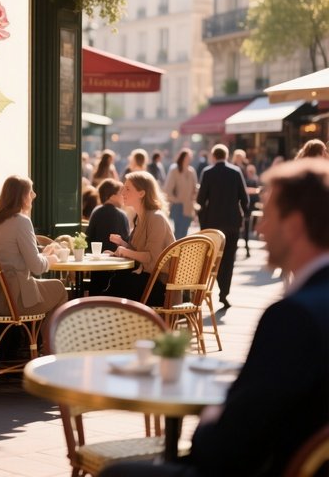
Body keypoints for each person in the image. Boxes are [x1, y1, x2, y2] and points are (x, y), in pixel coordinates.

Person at [100, 157, 329, 477]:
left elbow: (229, 439)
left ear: (293, 225)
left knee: (117, 473)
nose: (260, 228)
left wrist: (208, 418)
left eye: (268, 216)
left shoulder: (292, 318)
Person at [0, 176, 67, 318]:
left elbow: (10, 256)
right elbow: (37, 267)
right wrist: (52, 258)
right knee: (59, 288)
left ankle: (33, 337)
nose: (34, 195)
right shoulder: (21, 221)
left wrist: (42, 255)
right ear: (22, 197)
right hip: (15, 300)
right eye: (30, 191)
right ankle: (47, 339)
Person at [102, 171, 174, 306]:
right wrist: (123, 244)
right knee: (112, 279)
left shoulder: (156, 218)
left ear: (142, 193)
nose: (122, 192)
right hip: (145, 280)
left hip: (159, 286)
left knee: (117, 285)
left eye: (128, 189)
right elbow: (139, 252)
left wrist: (125, 251)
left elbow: (153, 258)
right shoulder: (140, 218)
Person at [196, 144, 248, 309]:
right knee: (229, 259)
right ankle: (224, 292)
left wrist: (203, 220)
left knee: (214, 259)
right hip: (232, 223)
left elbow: (200, 200)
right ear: (226, 156)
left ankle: (216, 288)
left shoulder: (208, 173)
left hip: (213, 225)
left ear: (213, 156)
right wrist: (244, 215)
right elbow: (244, 198)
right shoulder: (235, 172)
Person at [86, 179, 131, 294]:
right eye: (120, 193)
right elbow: (127, 241)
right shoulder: (121, 215)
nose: (123, 196)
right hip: (117, 269)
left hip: (96, 266)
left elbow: (88, 238)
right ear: (111, 196)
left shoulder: (96, 212)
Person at [164, 148, 199, 239]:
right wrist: (176, 200)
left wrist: (195, 196)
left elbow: (195, 187)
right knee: (178, 232)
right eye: (187, 157)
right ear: (182, 157)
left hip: (189, 206)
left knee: (185, 232)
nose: (189, 159)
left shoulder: (191, 171)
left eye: (190, 157)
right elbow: (167, 189)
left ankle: (182, 252)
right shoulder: (174, 170)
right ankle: (175, 252)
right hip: (178, 206)